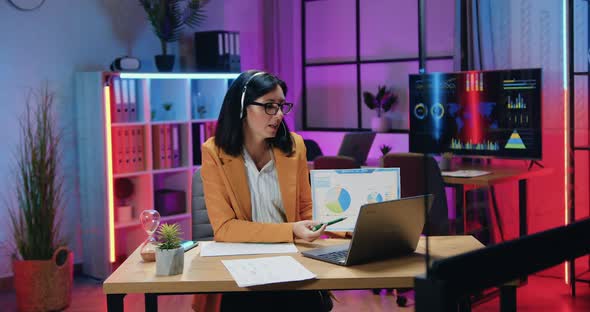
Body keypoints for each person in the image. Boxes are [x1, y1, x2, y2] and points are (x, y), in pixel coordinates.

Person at [192, 70, 333, 312]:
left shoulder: (294, 146)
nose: (278, 115)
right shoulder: (214, 152)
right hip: (240, 268)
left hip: (292, 261)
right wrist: (291, 230)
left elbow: (306, 208)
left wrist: (349, 228)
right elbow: (225, 229)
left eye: (281, 106)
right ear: (242, 108)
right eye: (269, 106)